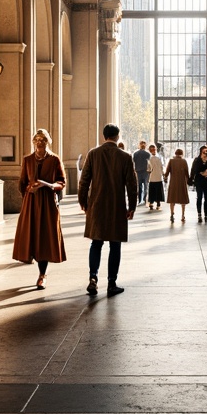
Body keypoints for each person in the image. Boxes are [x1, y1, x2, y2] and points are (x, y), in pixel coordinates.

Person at [78, 123, 137, 296]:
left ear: (104, 136)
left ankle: (93, 279)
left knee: (96, 243)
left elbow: (84, 181)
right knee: (115, 245)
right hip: (116, 207)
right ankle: (112, 282)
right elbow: (131, 185)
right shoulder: (125, 157)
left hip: (96, 205)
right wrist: (132, 206)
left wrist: (83, 202)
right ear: (117, 136)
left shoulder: (93, 154)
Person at [12, 128, 66, 290]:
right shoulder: (27, 160)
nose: (39, 142)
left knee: (45, 237)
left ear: (48, 141)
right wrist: (29, 191)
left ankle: (42, 274)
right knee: (31, 235)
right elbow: (22, 183)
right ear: (33, 141)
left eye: (43, 139)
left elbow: (61, 182)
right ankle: (33, 258)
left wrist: (47, 186)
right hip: (31, 202)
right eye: (37, 139)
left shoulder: (55, 160)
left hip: (48, 203)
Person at [189, 145, 207, 222]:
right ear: (201, 152)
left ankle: (206, 214)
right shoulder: (197, 160)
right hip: (199, 181)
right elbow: (194, 170)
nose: (205, 153)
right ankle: (199, 213)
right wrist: (201, 173)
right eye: (204, 152)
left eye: (206, 151)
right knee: (199, 197)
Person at [164, 147, 190, 222]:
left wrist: (165, 177)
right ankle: (182, 215)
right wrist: (189, 180)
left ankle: (172, 214)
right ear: (182, 154)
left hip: (173, 182)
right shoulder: (184, 161)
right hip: (182, 182)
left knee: (172, 199)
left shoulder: (171, 161)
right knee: (183, 200)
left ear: (175, 154)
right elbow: (186, 173)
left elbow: (167, 171)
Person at [132, 140, 151, 206]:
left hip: (138, 171)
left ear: (139, 145)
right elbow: (149, 163)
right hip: (146, 171)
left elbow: (133, 161)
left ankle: (139, 200)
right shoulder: (147, 154)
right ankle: (145, 199)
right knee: (146, 185)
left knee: (139, 186)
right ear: (145, 145)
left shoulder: (135, 153)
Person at [147, 143, 165, 209]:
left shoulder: (149, 158)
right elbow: (162, 167)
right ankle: (158, 204)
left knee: (152, 191)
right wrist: (163, 174)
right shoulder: (159, 157)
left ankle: (151, 203)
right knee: (158, 191)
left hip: (152, 177)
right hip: (159, 176)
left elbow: (148, 169)